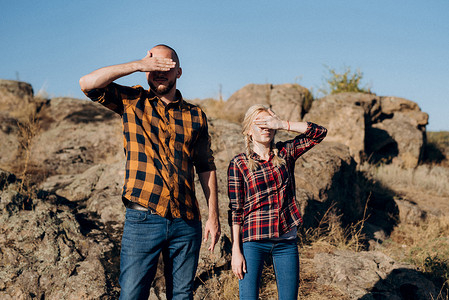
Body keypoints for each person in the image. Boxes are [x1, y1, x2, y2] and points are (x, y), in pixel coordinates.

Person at [79, 44, 221, 300]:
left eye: (166, 66)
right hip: (143, 219)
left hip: (187, 221)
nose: (159, 71)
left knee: (182, 295)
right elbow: (87, 84)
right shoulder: (133, 100)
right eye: (154, 65)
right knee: (133, 294)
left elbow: (205, 166)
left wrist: (213, 217)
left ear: (179, 72)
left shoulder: (196, 115)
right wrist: (136, 64)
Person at [227, 104, 327, 300]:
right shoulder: (239, 163)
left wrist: (281, 124)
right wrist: (236, 251)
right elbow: (235, 210)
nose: (266, 128)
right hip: (253, 241)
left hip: (285, 242)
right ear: (249, 130)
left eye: (269, 124)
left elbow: (319, 133)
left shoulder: (285, 153)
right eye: (260, 124)